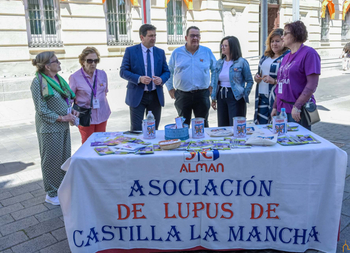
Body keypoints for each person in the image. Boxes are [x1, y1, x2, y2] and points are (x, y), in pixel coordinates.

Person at [31, 51, 78, 205]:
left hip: (63, 126)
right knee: (51, 160)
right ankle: (51, 194)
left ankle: (62, 189)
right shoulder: (38, 82)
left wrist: (71, 111)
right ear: (47, 66)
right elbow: (41, 109)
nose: (59, 63)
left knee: (64, 158)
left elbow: (66, 99)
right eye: (56, 61)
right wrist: (62, 117)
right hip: (49, 128)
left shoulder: (58, 79)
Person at [271, 20, 321, 130]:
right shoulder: (286, 57)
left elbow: (312, 84)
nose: (282, 37)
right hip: (282, 109)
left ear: (295, 35)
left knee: (298, 143)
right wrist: (275, 107)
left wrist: (297, 106)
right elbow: (280, 84)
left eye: (285, 33)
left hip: (297, 111)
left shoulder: (309, 53)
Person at [120, 24, 170, 131]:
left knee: (153, 129)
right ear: (142, 37)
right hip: (138, 96)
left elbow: (167, 72)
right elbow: (123, 72)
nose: (153, 38)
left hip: (155, 96)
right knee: (136, 129)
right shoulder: (131, 51)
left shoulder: (160, 52)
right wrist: (139, 78)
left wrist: (161, 79)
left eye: (155, 36)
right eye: (150, 36)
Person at [166, 26, 216, 127]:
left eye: (197, 36)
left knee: (202, 125)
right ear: (186, 38)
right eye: (192, 36)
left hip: (202, 95)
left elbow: (215, 69)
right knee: (183, 125)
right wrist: (170, 88)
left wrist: (212, 85)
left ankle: (203, 143)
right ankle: (185, 143)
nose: (195, 38)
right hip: (182, 95)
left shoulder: (207, 52)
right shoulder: (177, 53)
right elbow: (169, 71)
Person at [69, 47, 111, 144]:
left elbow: (105, 92)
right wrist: (71, 114)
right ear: (83, 61)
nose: (93, 63)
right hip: (85, 116)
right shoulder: (75, 77)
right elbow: (70, 98)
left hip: (102, 114)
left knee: (100, 143)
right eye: (89, 61)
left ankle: (99, 160)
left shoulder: (102, 74)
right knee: (88, 144)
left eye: (96, 61)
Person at [211, 36, 254, 127]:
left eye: (225, 45)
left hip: (235, 96)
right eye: (222, 45)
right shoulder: (219, 63)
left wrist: (244, 93)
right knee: (223, 125)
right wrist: (213, 98)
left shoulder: (241, 62)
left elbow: (250, 80)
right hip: (221, 95)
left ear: (233, 47)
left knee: (236, 125)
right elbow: (214, 81)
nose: (222, 47)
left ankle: (238, 141)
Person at [253, 28, 289, 124]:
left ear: (283, 41)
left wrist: (274, 81)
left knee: (274, 124)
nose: (274, 44)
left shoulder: (287, 57)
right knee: (261, 125)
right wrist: (256, 78)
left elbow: (288, 79)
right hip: (261, 95)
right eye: (272, 41)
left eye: (277, 41)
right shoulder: (265, 56)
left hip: (275, 97)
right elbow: (259, 72)